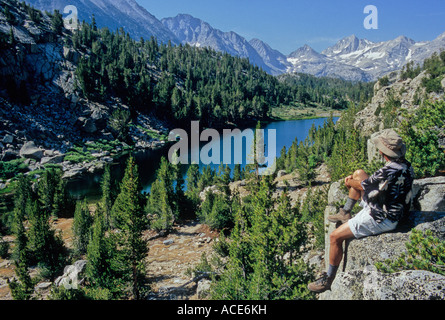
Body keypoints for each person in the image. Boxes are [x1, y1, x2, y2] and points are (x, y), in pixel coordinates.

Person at [308, 129, 414, 293]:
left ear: (382, 151)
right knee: (359, 173)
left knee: (335, 236)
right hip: (393, 207)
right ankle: (346, 212)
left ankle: (328, 278)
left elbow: (365, 186)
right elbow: (373, 184)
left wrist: (350, 182)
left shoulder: (387, 171)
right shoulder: (405, 165)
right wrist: (355, 179)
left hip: (381, 217)